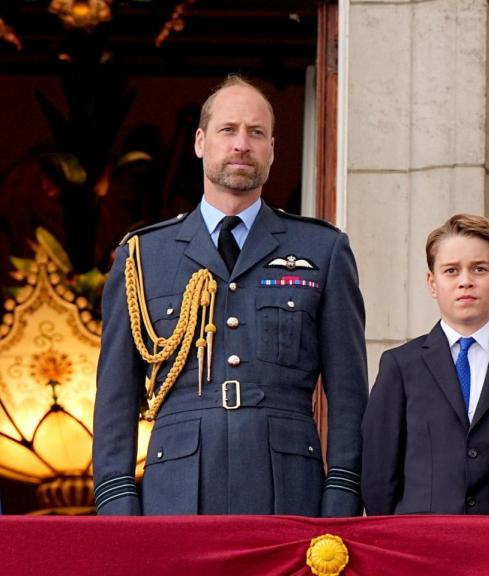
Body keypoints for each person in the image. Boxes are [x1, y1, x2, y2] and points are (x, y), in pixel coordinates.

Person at [92, 75, 368, 516]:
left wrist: (342, 491)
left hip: (290, 493)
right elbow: (116, 396)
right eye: (228, 130)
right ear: (200, 142)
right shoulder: (143, 256)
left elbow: (350, 392)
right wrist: (117, 501)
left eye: (256, 132)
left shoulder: (323, 250)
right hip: (175, 495)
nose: (242, 143)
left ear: (273, 149)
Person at [362, 213, 489, 515]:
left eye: (479, 269)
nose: (465, 281)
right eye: (451, 271)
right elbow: (379, 473)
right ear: (432, 283)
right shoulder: (400, 366)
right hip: (421, 544)